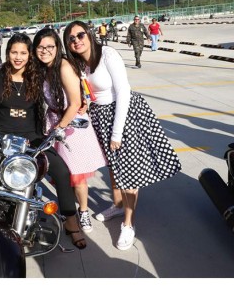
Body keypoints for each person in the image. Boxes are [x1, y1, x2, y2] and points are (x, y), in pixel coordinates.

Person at [63, 20, 181, 251]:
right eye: (70, 38)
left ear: (89, 34)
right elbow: (91, 91)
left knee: (129, 172)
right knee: (114, 168)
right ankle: (118, 205)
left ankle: (129, 223)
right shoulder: (80, 63)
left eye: (79, 35)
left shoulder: (107, 54)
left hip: (123, 114)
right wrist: (87, 104)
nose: (76, 40)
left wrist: (117, 132)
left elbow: (123, 91)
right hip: (100, 116)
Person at [0, 33, 86, 249]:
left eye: (23, 53)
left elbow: (68, 88)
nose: (18, 57)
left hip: (32, 138)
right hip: (3, 137)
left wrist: (83, 102)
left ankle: (71, 222)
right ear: (7, 53)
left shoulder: (38, 75)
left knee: (61, 172)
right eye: (14, 52)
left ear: (29, 55)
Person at [33, 28, 107, 234]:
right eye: (40, 47)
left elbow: (75, 103)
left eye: (50, 46)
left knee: (77, 174)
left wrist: (60, 128)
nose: (45, 51)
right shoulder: (41, 68)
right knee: (58, 172)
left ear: (57, 47)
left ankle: (82, 211)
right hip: (54, 121)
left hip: (70, 124)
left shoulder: (63, 67)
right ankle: (68, 209)